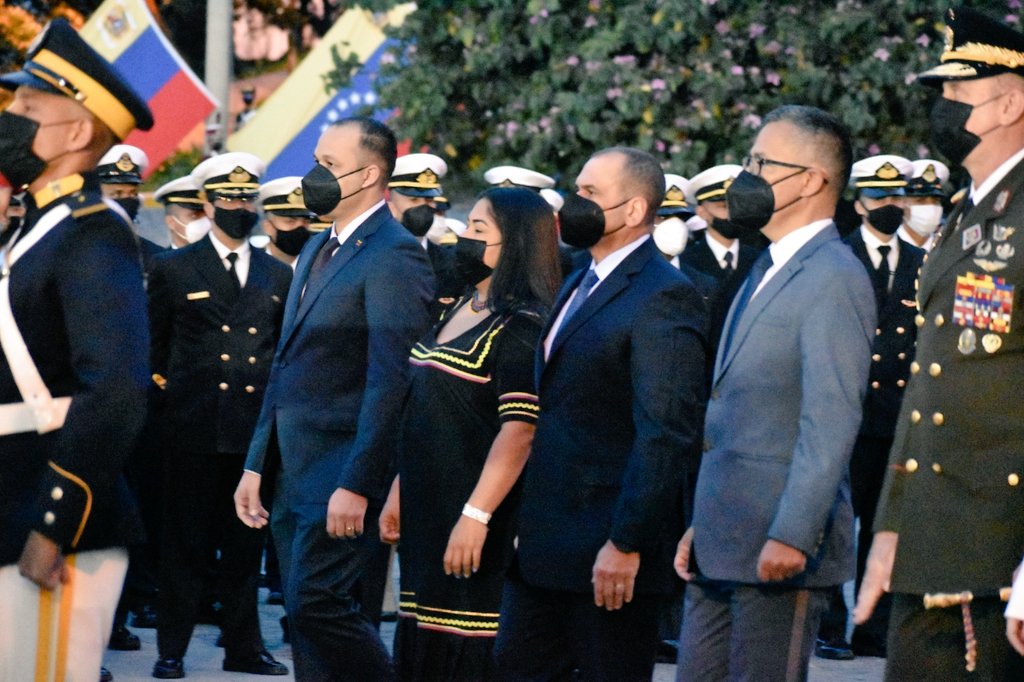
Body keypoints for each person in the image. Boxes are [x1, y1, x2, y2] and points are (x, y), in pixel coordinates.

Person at [676, 105, 877, 681]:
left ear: (813, 180)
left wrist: (793, 532)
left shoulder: (833, 274)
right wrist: (704, 522)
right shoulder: (767, 264)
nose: (747, 176)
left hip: (778, 548)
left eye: (762, 161)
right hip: (723, 541)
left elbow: (830, 419)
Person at [492, 147, 708, 681]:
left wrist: (626, 542)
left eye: (591, 194)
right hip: (544, 550)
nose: (575, 203)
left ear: (634, 211)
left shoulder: (665, 295)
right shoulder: (578, 278)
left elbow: (665, 433)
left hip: (608, 558)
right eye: (577, 189)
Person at [855, 8, 1024, 679]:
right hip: (933, 546)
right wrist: (891, 529)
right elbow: (931, 384)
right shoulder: (965, 212)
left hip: (999, 556)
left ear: (1009, 101)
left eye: (957, 96)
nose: (943, 111)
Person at [234, 117, 434, 681]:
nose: (313, 175)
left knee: (318, 606)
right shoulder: (319, 245)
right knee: (305, 620)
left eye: (328, 164)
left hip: (340, 473)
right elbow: (286, 362)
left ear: (369, 174)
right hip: (292, 471)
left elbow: (392, 380)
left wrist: (360, 482)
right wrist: (256, 462)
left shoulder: (394, 253)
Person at [0, 17, 153, 680]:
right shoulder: (37, 225)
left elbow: (115, 390)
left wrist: (53, 525)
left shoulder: (93, 233)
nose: (10, 117)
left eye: (28, 107)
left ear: (79, 132)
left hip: (48, 514)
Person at [377, 187, 561, 680]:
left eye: (480, 230)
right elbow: (424, 412)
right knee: (420, 641)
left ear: (517, 244)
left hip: (474, 517)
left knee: (463, 647)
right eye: (468, 224)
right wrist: (399, 488)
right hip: (426, 512)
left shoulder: (520, 325)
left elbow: (519, 431)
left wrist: (476, 516)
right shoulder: (457, 305)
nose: (465, 236)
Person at [148, 151, 291, 679]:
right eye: (227, 199)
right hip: (191, 427)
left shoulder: (277, 275)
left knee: (243, 546)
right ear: (207, 203)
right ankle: (172, 649)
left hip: (250, 431)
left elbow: (280, 351)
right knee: (183, 544)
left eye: (245, 199)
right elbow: (153, 350)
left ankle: (243, 648)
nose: (238, 207)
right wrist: (171, 404)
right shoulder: (174, 268)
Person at [815, 155, 925, 661]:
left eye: (896, 197)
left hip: (896, 414)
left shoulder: (923, 263)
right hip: (847, 409)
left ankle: (870, 624)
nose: (889, 206)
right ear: (858, 202)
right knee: (837, 521)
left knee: (884, 523)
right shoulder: (839, 257)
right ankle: (830, 624)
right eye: (878, 198)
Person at [259, 176, 314, 269]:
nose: (300, 227)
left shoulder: (321, 266)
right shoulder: (249, 265)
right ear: (268, 227)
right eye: (290, 221)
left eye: (305, 221)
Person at [897, 159, 950, 252]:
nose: (931, 207)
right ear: (902, 203)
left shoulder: (947, 249)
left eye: (935, 201)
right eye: (920, 201)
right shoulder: (889, 246)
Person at [154, 176, 211, 248]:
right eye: (195, 216)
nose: (206, 222)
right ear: (171, 222)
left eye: (209, 215)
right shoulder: (157, 259)